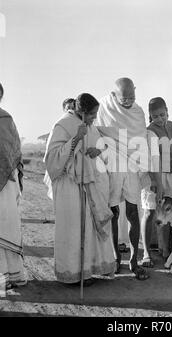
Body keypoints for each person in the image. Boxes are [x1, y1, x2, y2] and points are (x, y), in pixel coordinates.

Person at [44, 93, 116, 285]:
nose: (94, 118)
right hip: (69, 184)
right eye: (92, 114)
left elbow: (100, 145)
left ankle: (87, 271)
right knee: (73, 228)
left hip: (89, 183)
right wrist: (75, 139)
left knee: (88, 227)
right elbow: (52, 160)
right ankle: (72, 274)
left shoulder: (90, 126)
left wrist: (97, 150)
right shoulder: (62, 125)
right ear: (82, 111)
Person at [96, 78, 161, 280]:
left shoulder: (138, 112)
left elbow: (140, 139)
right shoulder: (105, 106)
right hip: (113, 166)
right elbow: (99, 131)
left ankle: (134, 259)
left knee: (133, 212)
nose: (128, 101)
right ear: (114, 94)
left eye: (132, 96)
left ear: (135, 91)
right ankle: (116, 258)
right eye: (124, 98)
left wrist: (145, 170)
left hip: (132, 166)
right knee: (114, 212)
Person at [140, 97, 172, 264]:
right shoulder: (148, 131)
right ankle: (146, 253)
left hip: (169, 175)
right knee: (150, 212)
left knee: (166, 211)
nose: (160, 119)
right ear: (150, 116)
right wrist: (155, 181)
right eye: (155, 116)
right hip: (153, 176)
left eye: (162, 114)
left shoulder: (171, 127)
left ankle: (164, 248)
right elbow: (145, 158)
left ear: (167, 111)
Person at [0, 82, 27, 290]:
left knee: (6, 224)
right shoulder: (6, 118)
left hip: (6, 183)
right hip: (8, 182)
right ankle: (9, 277)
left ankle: (10, 276)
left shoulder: (6, 119)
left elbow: (15, 150)